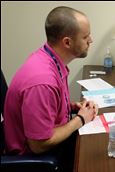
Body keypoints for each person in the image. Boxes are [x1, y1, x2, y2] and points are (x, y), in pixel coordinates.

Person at [4, 6, 97, 156]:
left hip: (49, 140)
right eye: (85, 37)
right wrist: (80, 118)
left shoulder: (49, 57)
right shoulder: (43, 81)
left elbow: (49, 104)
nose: (91, 40)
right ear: (67, 42)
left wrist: (73, 107)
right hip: (33, 161)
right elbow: (39, 145)